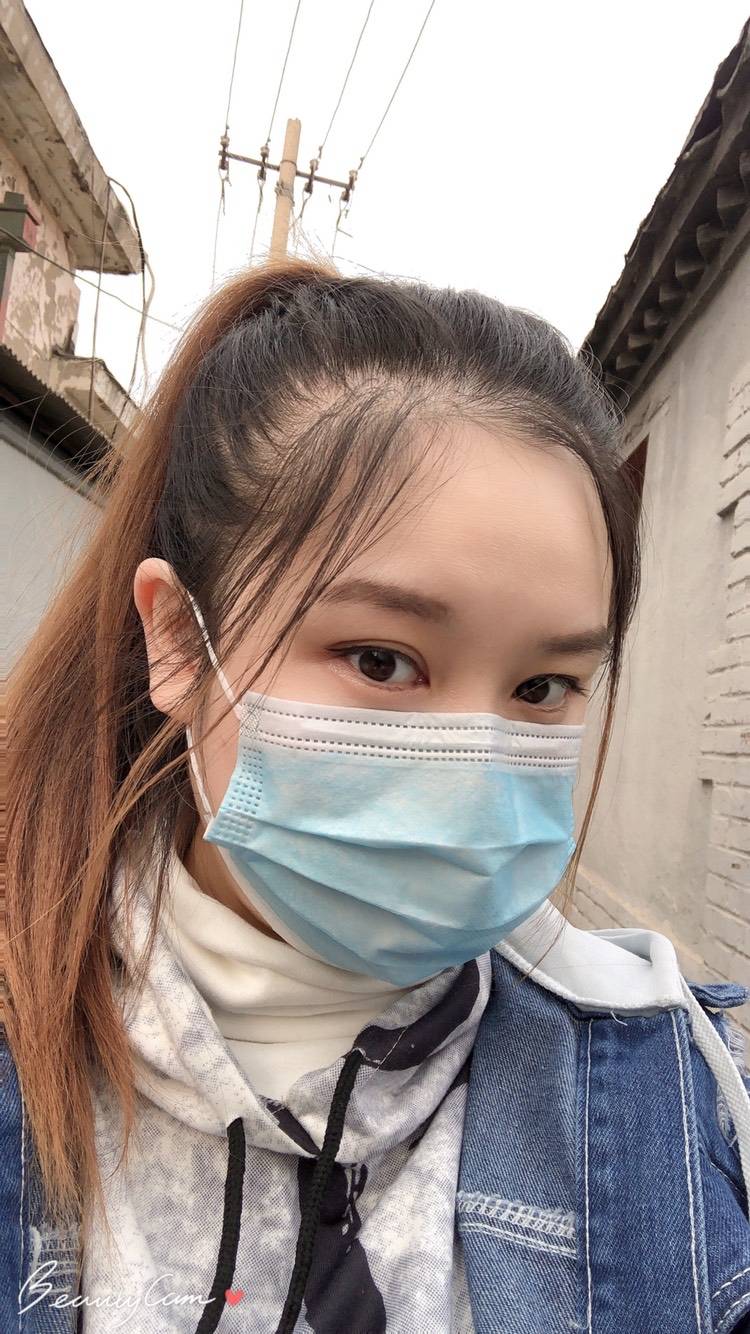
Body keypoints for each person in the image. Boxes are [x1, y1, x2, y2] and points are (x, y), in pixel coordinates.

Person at [5, 257, 750, 1334]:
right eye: (381, 659)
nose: (472, 775)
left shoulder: (678, 1107)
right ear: (176, 638)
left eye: (543, 686)